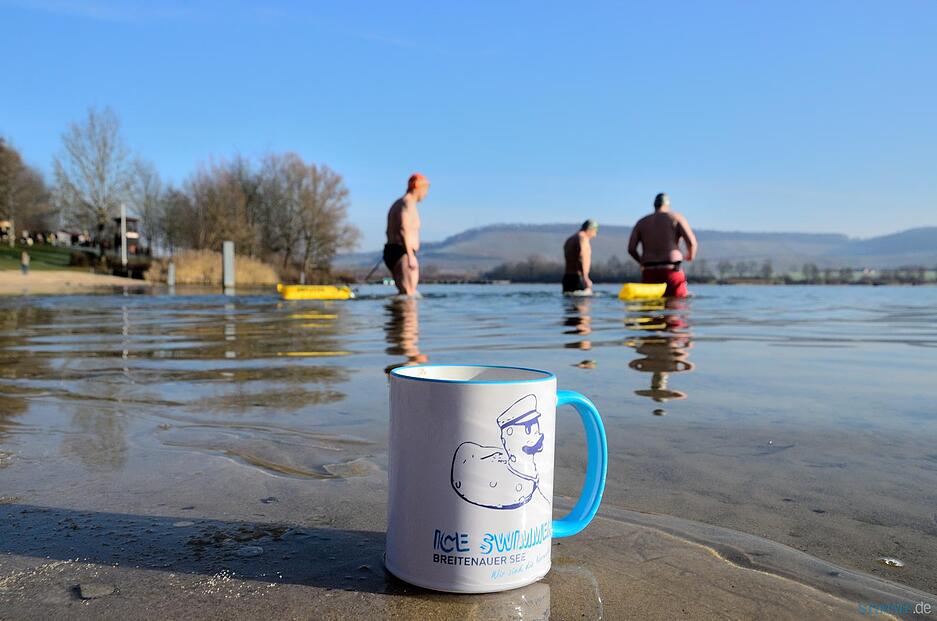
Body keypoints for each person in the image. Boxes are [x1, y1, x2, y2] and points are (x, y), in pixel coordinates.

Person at [627, 193, 698, 298]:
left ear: (654, 205)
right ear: (667, 205)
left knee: (649, 310)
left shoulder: (641, 222)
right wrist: (690, 255)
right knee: (676, 307)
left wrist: (641, 262)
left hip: (648, 271)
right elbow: (691, 243)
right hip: (671, 271)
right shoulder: (676, 218)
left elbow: (631, 249)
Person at [384, 173, 430, 296]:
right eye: (426, 189)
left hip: (393, 251)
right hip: (403, 253)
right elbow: (403, 228)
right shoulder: (407, 203)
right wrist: (410, 256)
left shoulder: (398, 203)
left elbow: (388, 231)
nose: (426, 194)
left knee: (404, 293)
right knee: (409, 294)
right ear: (418, 188)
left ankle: (397, 314)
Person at [562, 219, 598, 294]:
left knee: (569, 303)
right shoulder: (583, 238)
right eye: (595, 232)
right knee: (583, 303)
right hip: (578, 278)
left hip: (567, 277)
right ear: (591, 229)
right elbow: (582, 257)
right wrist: (585, 277)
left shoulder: (570, 239)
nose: (595, 235)